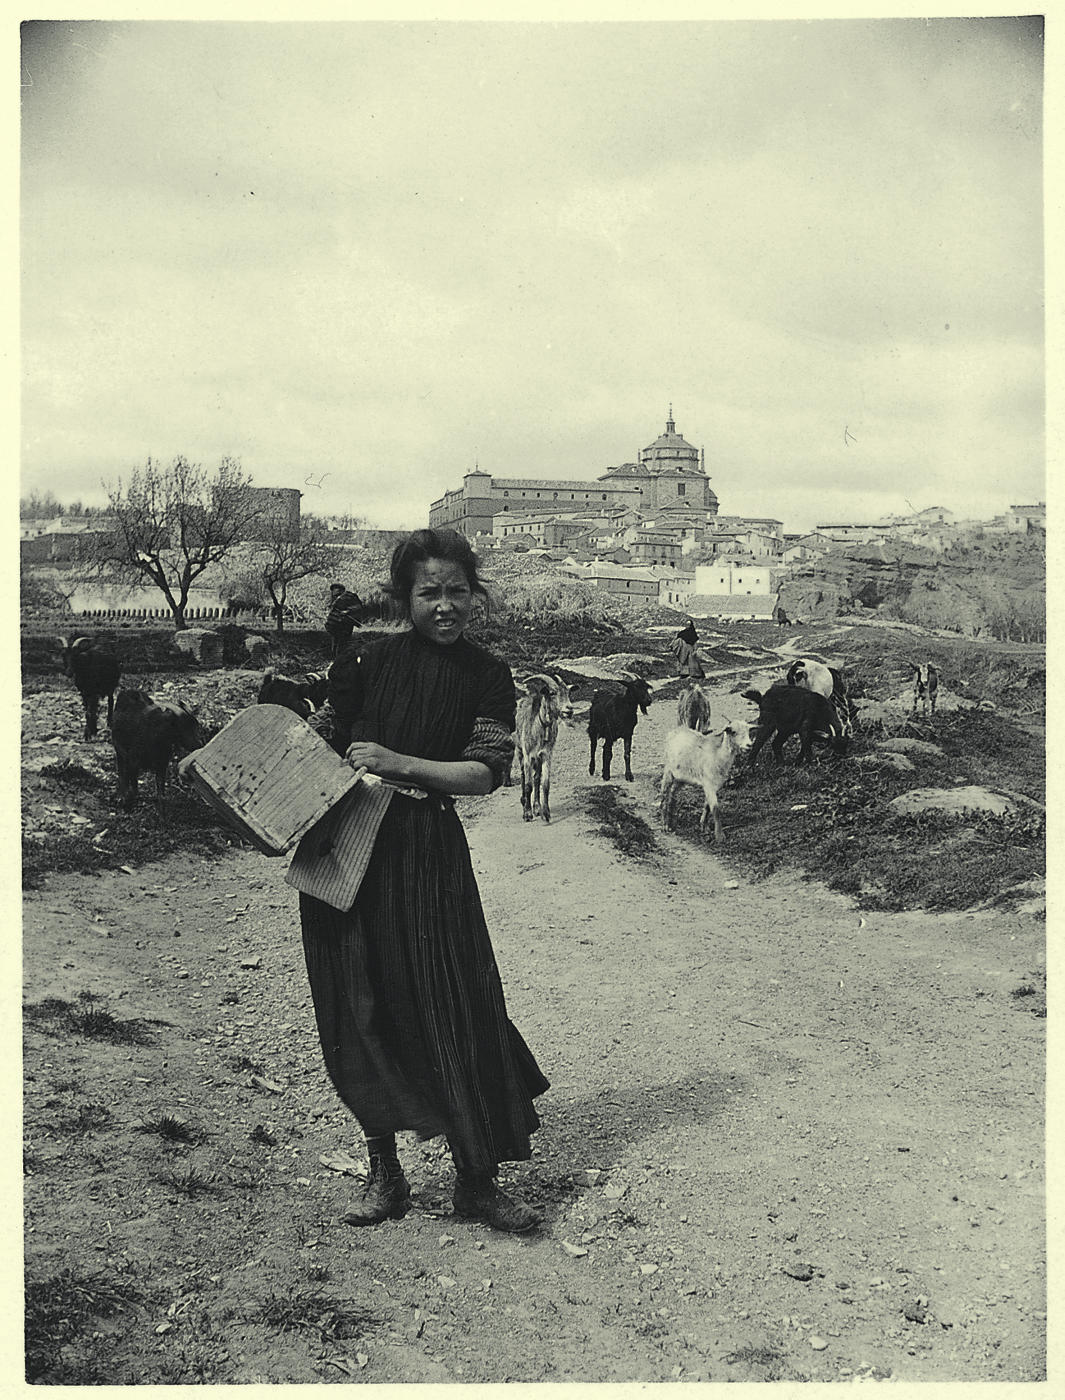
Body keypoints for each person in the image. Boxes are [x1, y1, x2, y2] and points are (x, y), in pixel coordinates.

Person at [300, 529, 549, 1233]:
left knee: (455, 1002)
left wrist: (396, 761)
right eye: (428, 593)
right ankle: (385, 1173)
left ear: (475, 593)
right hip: (346, 848)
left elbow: (482, 774)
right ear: (403, 598)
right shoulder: (365, 665)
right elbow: (311, 747)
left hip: (425, 852)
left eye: (457, 591)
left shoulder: (486, 675)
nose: (445, 606)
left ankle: (477, 1179)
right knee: (357, 1004)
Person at [325, 582, 364, 657]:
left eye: (335, 589)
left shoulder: (349, 596)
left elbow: (358, 607)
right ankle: (335, 659)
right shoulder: (335, 600)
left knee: (342, 642)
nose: (333, 591)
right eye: (332, 590)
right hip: (335, 625)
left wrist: (347, 611)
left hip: (345, 624)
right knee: (335, 642)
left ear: (341, 590)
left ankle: (340, 659)